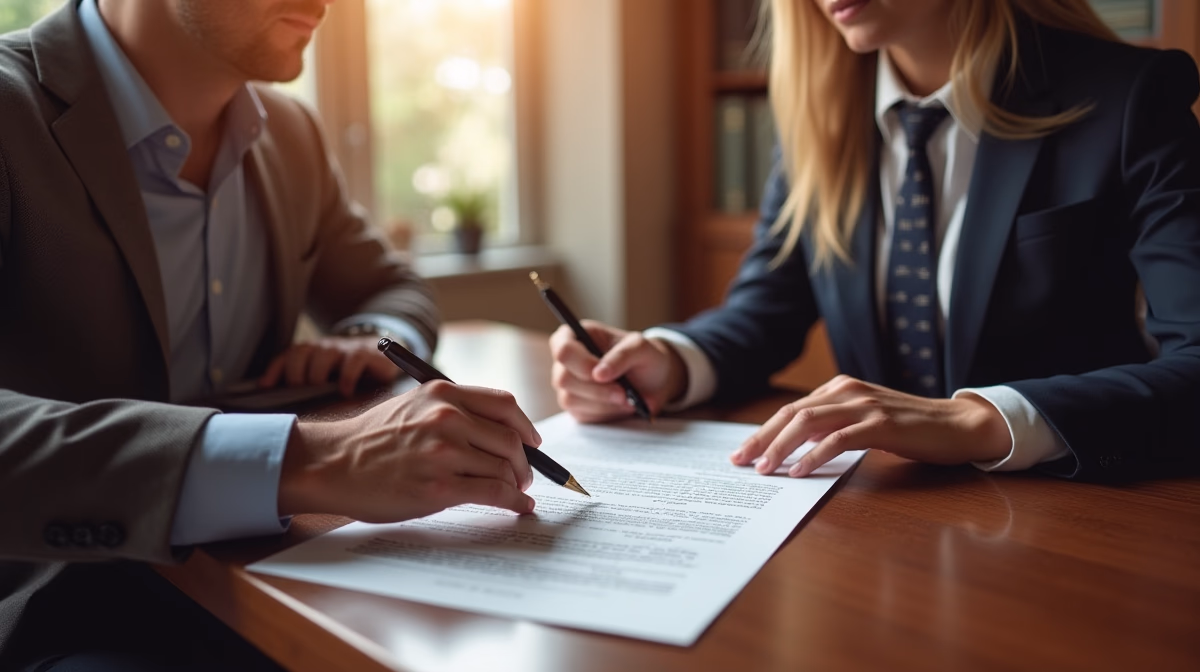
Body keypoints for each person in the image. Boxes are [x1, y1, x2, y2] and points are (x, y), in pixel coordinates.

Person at [0, 0, 539, 668]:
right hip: (54, 602)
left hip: (264, 573)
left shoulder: (288, 133)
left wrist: (371, 336)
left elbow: (391, 287)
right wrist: (308, 460)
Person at [551, 0, 1200, 482]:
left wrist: (977, 420)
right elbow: (765, 310)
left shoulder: (1128, 98)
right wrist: (669, 360)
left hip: (1079, 512)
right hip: (883, 512)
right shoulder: (820, 111)